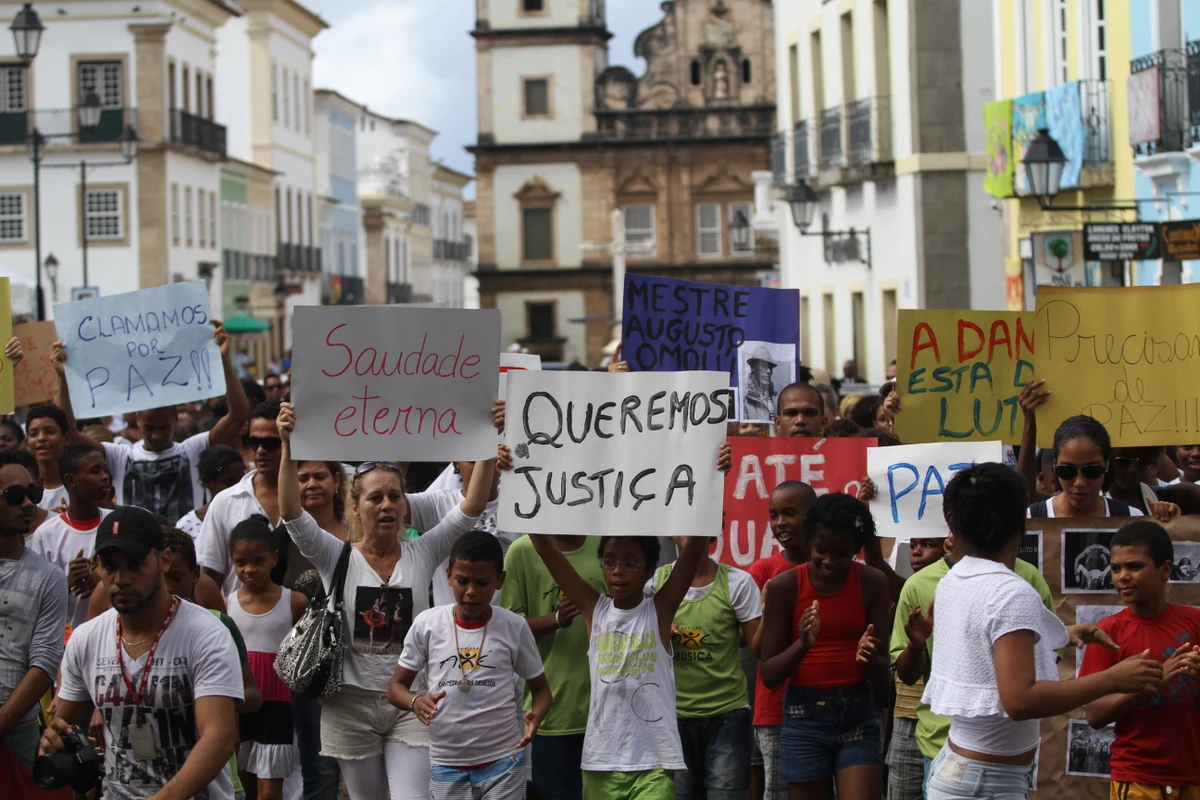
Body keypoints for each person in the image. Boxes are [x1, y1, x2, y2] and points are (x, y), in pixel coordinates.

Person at [276, 401, 495, 800]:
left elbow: (473, 506)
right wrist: (288, 446)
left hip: (411, 699)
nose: (387, 505)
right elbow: (292, 513)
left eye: (395, 496)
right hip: (349, 707)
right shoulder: (333, 555)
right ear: (355, 507)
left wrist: (487, 438)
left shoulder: (423, 551)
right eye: (375, 498)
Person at [922, 463, 1163, 800]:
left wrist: (1063, 633)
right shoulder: (1010, 591)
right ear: (1021, 521)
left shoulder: (956, 578)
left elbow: (989, 640)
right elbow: (1019, 700)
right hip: (987, 783)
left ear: (953, 522)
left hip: (961, 769)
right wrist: (1112, 679)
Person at [41, 506, 244, 800]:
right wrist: (54, 742)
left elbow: (221, 738)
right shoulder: (86, 639)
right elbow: (67, 729)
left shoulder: (206, 634)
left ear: (163, 560)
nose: (121, 578)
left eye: (134, 564)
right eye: (110, 566)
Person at [530, 532, 706, 799]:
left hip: (653, 764)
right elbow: (547, 551)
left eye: (630, 562)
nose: (617, 571)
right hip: (600, 763)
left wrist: (703, 506)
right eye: (609, 561)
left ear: (649, 570)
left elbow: (692, 553)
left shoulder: (659, 611)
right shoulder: (594, 610)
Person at [389, 532, 552, 799]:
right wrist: (415, 701)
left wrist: (537, 715)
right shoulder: (427, 625)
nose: (471, 591)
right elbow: (396, 687)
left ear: (500, 580)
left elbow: (542, 689)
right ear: (448, 575)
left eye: (482, 582)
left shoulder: (514, 626)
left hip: (503, 762)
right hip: (446, 764)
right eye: (462, 581)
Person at [759, 493, 891, 800]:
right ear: (808, 542)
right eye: (821, 550)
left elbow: (883, 677)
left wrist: (870, 660)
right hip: (804, 716)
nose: (830, 561)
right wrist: (803, 644)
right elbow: (769, 674)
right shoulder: (784, 587)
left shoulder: (872, 582)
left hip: (858, 712)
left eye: (843, 553)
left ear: (858, 550)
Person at [53, 323, 251, 524]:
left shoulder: (193, 450)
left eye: (164, 427)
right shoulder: (120, 455)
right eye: (150, 428)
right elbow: (68, 433)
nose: (157, 435)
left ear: (175, 417)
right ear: (138, 419)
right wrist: (63, 379)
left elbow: (238, 416)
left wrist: (225, 360)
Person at [1080, 521, 1200, 799]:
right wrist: (1152, 683)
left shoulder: (1194, 623)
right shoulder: (1107, 633)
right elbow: (1094, 715)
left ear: (1165, 570)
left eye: (1134, 567)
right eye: (1116, 568)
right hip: (1137, 778)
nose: (1123, 576)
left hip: (1193, 773)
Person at [653, 535, 761, 800]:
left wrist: (770, 611)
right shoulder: (654, 583)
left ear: (713, 530)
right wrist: (656, 626)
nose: (691, 530)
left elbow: (757, 647)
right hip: (673, 718)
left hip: (727, 716)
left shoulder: (738, 582)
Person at [500, 530, 604, 800]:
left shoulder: (607, 544)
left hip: (606, 714)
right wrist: (556, 619)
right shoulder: (522, 550)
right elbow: (509, 629)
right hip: (552, 714)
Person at [226, 516, 308, 800]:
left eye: (258, 561)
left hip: (279, 705)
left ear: (274, 558)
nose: (249, 570)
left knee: (271, 787)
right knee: (244, 779)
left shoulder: (294, 602)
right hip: (241, 704)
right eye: (240, 563)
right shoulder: (228, 605)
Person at [748, 481, 817, 800]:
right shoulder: (762, 571)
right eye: (773, 515)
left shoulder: (831, 570)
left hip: (824, 707)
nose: (780, 523)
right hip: (776, 710)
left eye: (790, 513)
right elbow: (756, 649)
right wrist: (766, 607)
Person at [0, 451, 68, 771]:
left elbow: (43, 663)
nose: (28, 504)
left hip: (19, 734)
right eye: (15, 496)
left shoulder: (49, 577)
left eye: (33, 494)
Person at [199, 400, 286, 595]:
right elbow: (210, 575)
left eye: (271, 443)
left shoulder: (312, 497)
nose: (261, 451)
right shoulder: (225, 501)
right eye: (254, 443)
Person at [885, 535, 948, 800]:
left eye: (927, 545)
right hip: (908, 715)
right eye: (912, 546)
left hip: (947, 729)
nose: (917, 553)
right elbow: (906, 672)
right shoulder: (912, 589)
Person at [29, 443, 113, 631]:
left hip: (110, 635)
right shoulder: (46, 534)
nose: (105, 477)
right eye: (95, 471)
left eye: (105, 469)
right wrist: (67, 582)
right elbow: (35, 600)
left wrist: (101, 583)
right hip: (64, 642)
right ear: (71, 480)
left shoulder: (115, 523)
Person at [1022, 411, 1143, 519]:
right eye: (1067, 471)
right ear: (1055, 464)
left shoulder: (1132, 519)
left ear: (1107, 464)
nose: (1079, 482)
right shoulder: (1030, 520)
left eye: (1091, 471)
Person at [176, 444, 247, 539]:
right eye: (229, 482)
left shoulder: (252, 514)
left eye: (242, 480)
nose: (238, 487)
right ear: (207, 482)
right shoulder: (187, 526)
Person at [25, 404, 71, 512]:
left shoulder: (79, 488)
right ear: (26, 443)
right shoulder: (21, 492)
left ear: (66, 438)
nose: (41, 438)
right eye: (33, 434)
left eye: (50, 432)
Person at [743, 347, 780, 422]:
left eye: (770, 367)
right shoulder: (744, 395)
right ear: (753, 367)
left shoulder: (775, 395)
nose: (769, 371)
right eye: (764, 366)